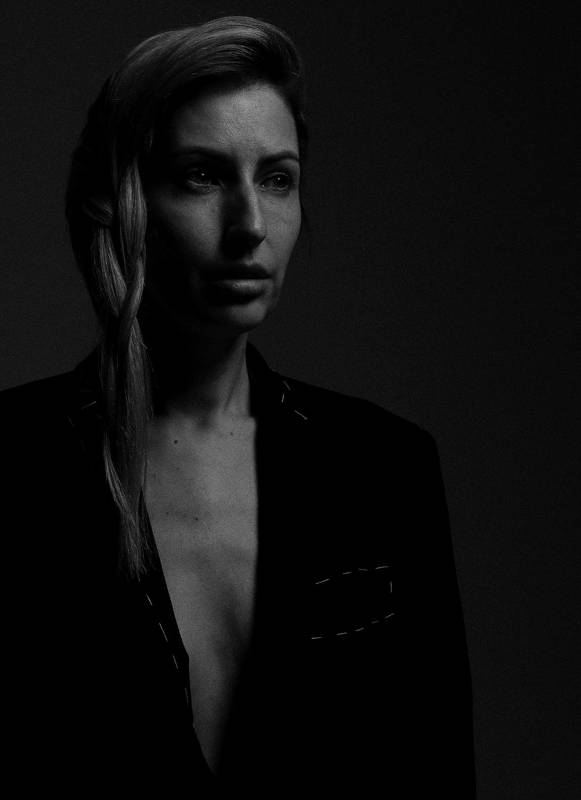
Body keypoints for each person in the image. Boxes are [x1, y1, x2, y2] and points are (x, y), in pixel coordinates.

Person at [1, 15, 476, 797]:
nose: (250, 225)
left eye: (278, 179)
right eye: (202, 175)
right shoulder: (13, 465)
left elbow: (438, 768)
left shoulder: (383, 466)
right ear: (118, 200)